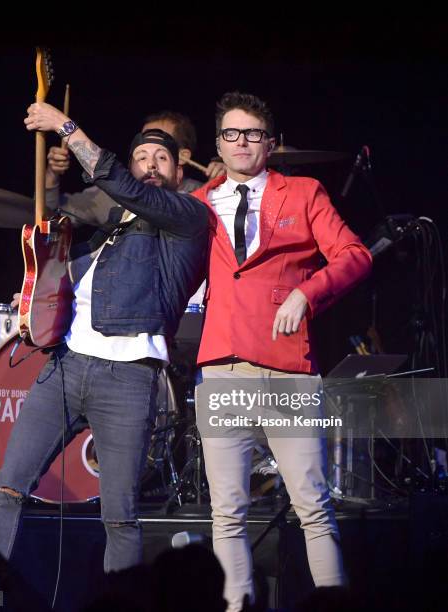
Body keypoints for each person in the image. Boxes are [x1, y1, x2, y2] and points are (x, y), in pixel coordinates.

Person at [0, 103, 209, 595]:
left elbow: (118, 181)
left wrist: (66, 127)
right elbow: (68, 277)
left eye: (158, 159)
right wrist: (36, 297)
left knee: (119, 517)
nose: (147, 165)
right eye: (139, 156)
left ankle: (120, 605)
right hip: (65, 367)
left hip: (129, 378)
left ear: (178, 169)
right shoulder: (110, 230)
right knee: (8, 488)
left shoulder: (187, 216)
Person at [193, 91, 372, 612]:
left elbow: (355, 255)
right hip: (222, 369)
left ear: (270, 143)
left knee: (312, 506)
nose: (241, 141)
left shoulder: (303, 192)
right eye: (231, 133)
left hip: (287, 370)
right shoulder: (200, 204)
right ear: (219, 145)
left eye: (252, 133)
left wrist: (306, 293)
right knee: (226, 513)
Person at [44, 110, 224, 227]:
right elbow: (50, 218)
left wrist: (229, 180)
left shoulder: (201, 198)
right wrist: (52, 175)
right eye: (142, 154)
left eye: (161, 154)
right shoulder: (109, 195)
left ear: (180, 161)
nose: (150, 163)